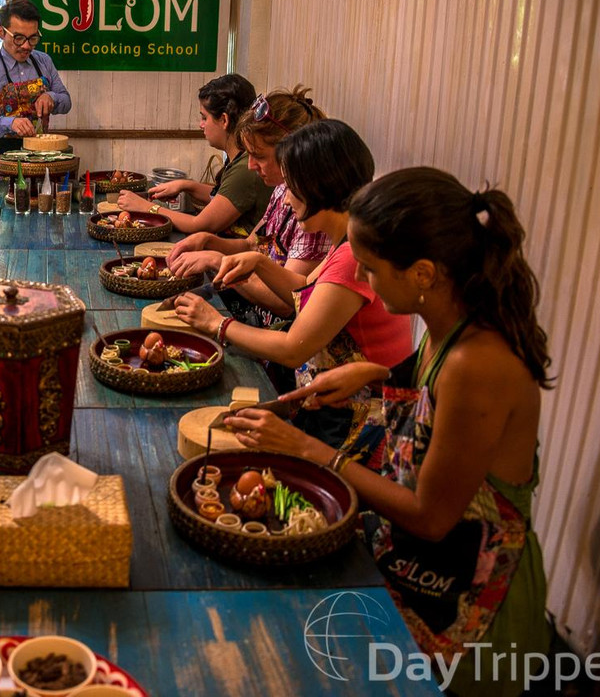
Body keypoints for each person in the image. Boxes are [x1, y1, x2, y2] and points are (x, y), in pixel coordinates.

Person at [231, 167, 553, 696]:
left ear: (423, 273)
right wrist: (378, 374)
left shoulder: (479, 363)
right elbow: (437, 405)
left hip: (468, 609)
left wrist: (310, 451)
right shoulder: (449, 327)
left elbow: (431, 517)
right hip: (422, 573)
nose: (363, 279)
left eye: (371, 269)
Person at [174, 120, 413, 448]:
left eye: (292, 186)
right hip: (329, 406)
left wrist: (216, 323)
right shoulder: (344, 238)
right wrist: (259, 262)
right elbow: (305, 288)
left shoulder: (352, 255)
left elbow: (293, 349)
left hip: (361, 424)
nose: (285, 200)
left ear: (321, 185)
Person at [167, 86, 332, 326]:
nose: (251, 165)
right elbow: (251, 245)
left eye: (260, 156)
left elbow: (289, 303)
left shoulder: (314, 215)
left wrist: (217, 261)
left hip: (271, 333)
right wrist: (207, 240)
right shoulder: (281, 190)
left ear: (291, 153)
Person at [116, 74, 271, 236]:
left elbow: (199, 225)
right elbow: (223, 198)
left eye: (204, 117)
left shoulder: (245, 168)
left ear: (224, 120)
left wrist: (146, 208)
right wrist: (187, 186)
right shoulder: (240, 158)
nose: (200, 125)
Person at [0, 0, 72, 159]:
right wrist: (10, 123)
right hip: (2, 161)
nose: (26, 46)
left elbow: (66, 102)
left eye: (33, 38)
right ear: (1, 32)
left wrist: (51, 96)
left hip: (42, 157)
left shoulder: (44, 62)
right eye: (19, 38)